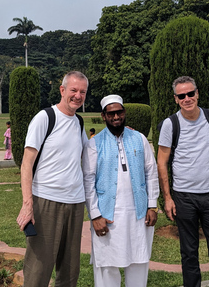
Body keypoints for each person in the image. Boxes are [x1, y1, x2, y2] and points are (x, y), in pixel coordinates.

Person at [157, 76, 209, 287]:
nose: (187, 99)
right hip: (184, 197)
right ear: (176, 99)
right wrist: (168, 197)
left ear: (197, 93)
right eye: (182, 96)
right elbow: (161, 162)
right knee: (189, 254)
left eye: (191, 94)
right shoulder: (170, 124)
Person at [16, 71, 88, 287]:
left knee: (69, 270)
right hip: (47, 201)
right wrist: (28, 205)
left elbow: (91, 151)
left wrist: (124, 132)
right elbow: (26, 163)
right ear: (62, 90)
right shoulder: (45, 118)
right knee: (39, 268)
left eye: (82, 92)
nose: (77, 95)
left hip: (75, 203)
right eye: (73, 90)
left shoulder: (79, 122)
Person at [82, 94, 159, 287]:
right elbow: (88, 181)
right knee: (107, 267)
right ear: (103, 116)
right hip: (107, 216)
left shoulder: (139, 138)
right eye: (111, 113)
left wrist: (152, 205)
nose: (116, 117)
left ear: (124, 113)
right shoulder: (94, 144)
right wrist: (95, 215)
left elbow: (151, 172)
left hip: (139, 214)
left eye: (119, 112)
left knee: (139, 262)